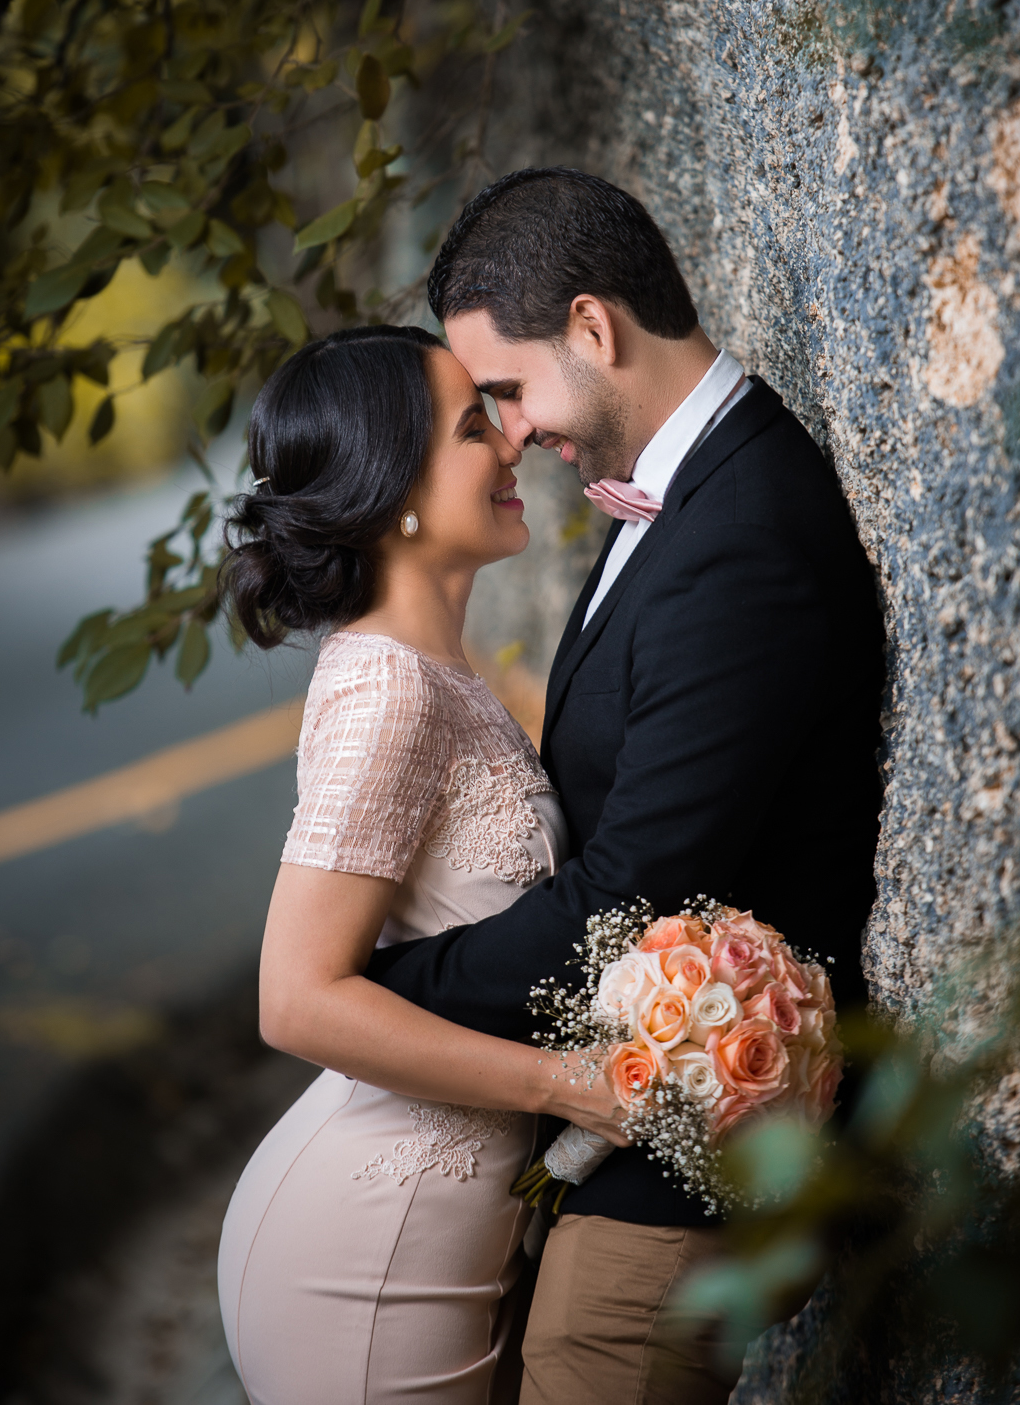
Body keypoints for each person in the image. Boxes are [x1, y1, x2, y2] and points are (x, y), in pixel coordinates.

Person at [367, 168, 886, 1404]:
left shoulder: (739, 532)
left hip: (691, 1149)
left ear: (594, 329)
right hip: (630, 1131)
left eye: (507, 388)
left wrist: (386, 997)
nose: (507, 430)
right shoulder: (679, 490)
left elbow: (635, 887)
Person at [215, 324, 628, 1405]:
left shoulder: (433, 672)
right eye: (470, 427)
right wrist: (569, 1088)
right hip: (370, 1262)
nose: (511, 445)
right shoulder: (388, 691)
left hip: (436, 1229)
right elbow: (296, 1000)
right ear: (389, 489)